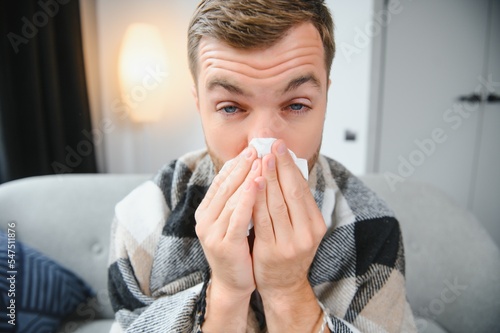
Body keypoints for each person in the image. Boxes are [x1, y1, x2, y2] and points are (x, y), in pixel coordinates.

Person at [108, 0, 417, 332]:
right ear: (199, 103)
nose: (264, 144)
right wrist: (226, 293)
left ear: (325, 97)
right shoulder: (142, 218)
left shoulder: (374, 227)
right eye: (230, 108)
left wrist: (287, 290)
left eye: (296, 105)